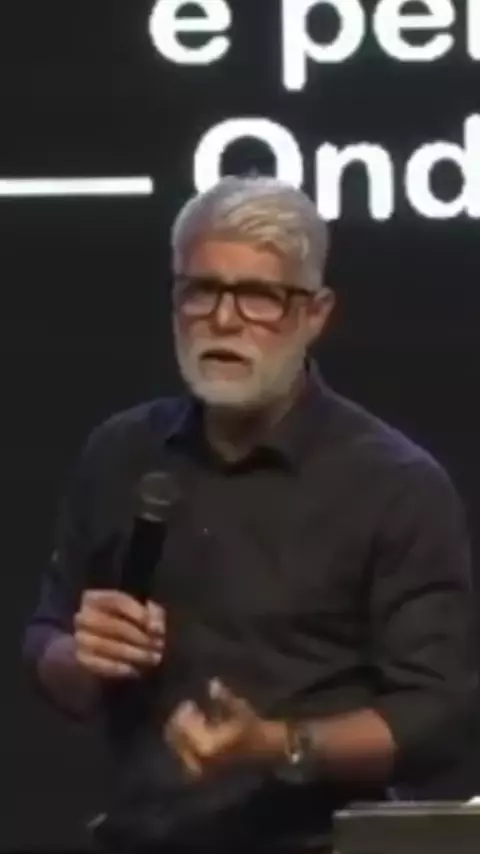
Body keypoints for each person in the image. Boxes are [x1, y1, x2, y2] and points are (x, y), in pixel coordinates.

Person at [23, 176, 474, 854]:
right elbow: (48, 643)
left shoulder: (395, 485)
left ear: (315, 313)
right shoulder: (119, 454)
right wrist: (81, 658)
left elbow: (434, 721)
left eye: (258, 296)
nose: (224, 319)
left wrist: (277, 744)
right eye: (201, 290)